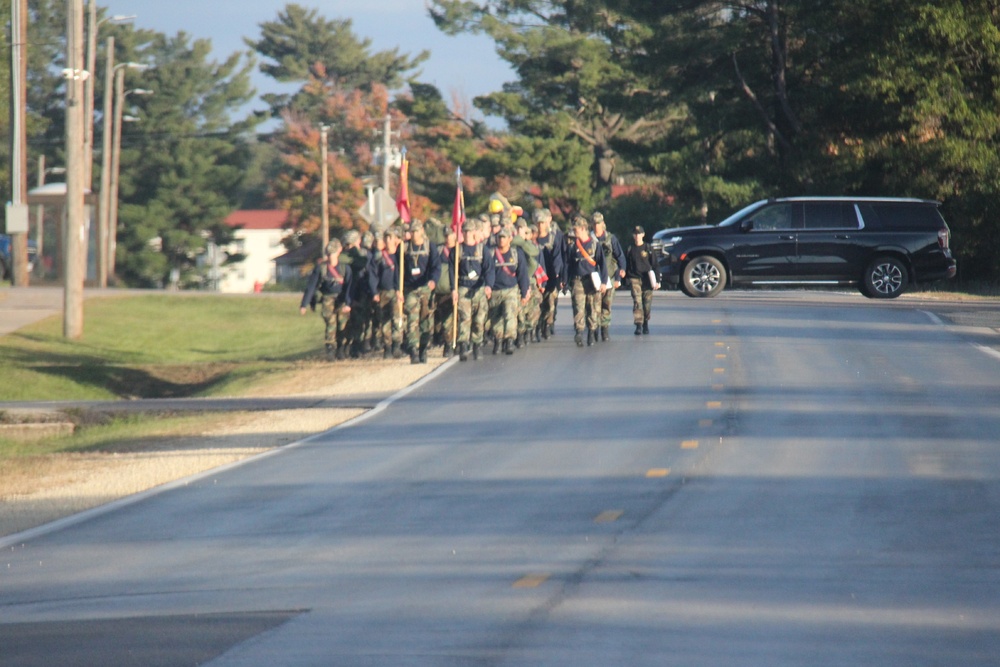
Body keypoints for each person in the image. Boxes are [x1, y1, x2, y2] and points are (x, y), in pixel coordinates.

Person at [300, 239, 353, 360]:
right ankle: (330, 349)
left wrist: (348, 303)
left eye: (333, 254)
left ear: (338, 252)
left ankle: (341, 348)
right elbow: (311, 286)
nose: (331, 257)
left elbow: (350, 287)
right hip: (327, 299)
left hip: (341, 299)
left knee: (342, 324)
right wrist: (304, 304)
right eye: (329, 254)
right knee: (330, 323)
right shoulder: (321, 268)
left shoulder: (345, 268)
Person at [452, 219, 495, 361]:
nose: (467, 234)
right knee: (464, 318)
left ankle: (477, 345)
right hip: (464, 287)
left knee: (479, 319)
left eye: (470, 231)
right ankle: (463, 345)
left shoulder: (483, 250)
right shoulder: (458, 250)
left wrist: (488, 285)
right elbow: (452, 271)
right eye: (465, 231)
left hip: (479, 288)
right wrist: (454, 289)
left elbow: (489, 270)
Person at [564, 214, 608, 347]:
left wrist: (604, 282)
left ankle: (591, 332)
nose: (574, 231)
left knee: (593, 307)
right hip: (578, 280)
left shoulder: (594, 245)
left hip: (592, 280)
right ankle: (579, 331)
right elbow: (568, 264)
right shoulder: (573, 246)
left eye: (576, 229)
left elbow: (602, 264)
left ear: (583, 228)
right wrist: (565, 281)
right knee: (578, 306)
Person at [402, 221, 441, 364]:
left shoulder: (429, 246)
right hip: (410, 289)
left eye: (416, 231)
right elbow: (399, 269)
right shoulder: (405, 247)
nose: (414, 234)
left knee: (425, 321)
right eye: (412, 231)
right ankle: (413, 349)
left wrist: (433, 280)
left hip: (425, 288)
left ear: (422, 231)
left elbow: (436, 266)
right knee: (412, 320)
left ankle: (423, 348)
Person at [489, 227, 530, 355]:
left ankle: (510, 340)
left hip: (510, 290)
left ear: (509, 239)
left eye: (504, 238)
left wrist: (524, 292)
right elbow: (487, 272)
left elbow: (522, 274)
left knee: (510, 314)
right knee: (496, 318)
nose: (501, 240)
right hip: (495, 291)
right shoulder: (491, 254)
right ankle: (498, 341)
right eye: (499, 238)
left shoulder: (516, 254)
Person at [368, 227, 404, 359]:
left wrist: (400, 290)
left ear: (395, 240)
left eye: (391, 238)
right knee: (384, 321)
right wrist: (374, 291)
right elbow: (373, 275)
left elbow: (402, 274)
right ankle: (387, 347)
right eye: (386, 238)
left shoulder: (400, 256)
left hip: (396, 292)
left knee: (396, 319)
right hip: (383, 292)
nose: (388, 241)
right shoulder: (379, 257)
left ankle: (396, 345)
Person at [591, 211, 626, 342]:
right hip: (594, 278)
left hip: (610, 277)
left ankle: (604, 329)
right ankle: (593, 329)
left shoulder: (611, 239)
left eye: (598, 223)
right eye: (594, 223)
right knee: (594, 305)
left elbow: (619, 256)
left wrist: (622, 270)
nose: (596, 226)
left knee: (606, 304)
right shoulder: (590, 240)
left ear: (603, 224)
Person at [534, 208, 563, 339]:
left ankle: (548, 324)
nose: (540, 226)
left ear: (547, 223)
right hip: (536, 278)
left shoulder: (553, 238)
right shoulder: (533, 239)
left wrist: (557, 273)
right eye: (538, 223)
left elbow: (558, 257)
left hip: (551, 277)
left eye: (542, 223)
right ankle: (538, 325)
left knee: (550, 304)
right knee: (538, 304)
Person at [625, 225, 658, 335]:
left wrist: (657, 281)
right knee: (637, 302)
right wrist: (625, 278)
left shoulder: (648, 248)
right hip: (635, 278)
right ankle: (638, 325)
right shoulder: (630, 249)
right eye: (635, 234)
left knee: (647, 304)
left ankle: (645, 323)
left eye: (639, 234)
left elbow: (655, 265)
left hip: (647, 279)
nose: (637, 236)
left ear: (643, 235)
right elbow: (626, 265)